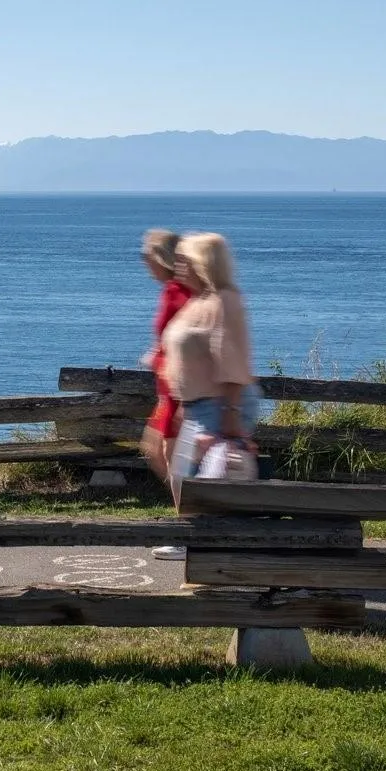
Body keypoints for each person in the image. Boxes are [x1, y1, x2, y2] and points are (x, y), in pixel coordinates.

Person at [153, 233, 262, 560]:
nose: (178, 266)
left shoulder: (225, 300)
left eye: (185, 260)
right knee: (182, 474)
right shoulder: (199, 301)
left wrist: (230, 415)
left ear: (202, 263)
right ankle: (194, 541)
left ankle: (208, 548)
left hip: (220, 403)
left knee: (210, 477)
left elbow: (232, 360)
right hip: (199, 404)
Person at [139, 229, 194, 482]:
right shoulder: (173, 291)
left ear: (161, 258)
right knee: (157, 450)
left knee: (164, 452)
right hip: (169, 385)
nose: (144, 262)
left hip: (177, 387)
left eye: (146, 255)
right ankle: (185, 500)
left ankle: (188, 501)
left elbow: (188, 340)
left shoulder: (178, 293)